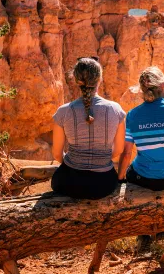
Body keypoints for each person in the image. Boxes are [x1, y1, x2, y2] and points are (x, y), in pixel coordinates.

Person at [51, 57, 126, 199]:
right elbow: (119, 150)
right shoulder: (115, 109)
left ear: (76, 80)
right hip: (104, 184)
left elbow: (56, 154)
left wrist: (76, 162)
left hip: (69, 182)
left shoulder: (63, 111)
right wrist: (100, 160)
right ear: (100, 79)